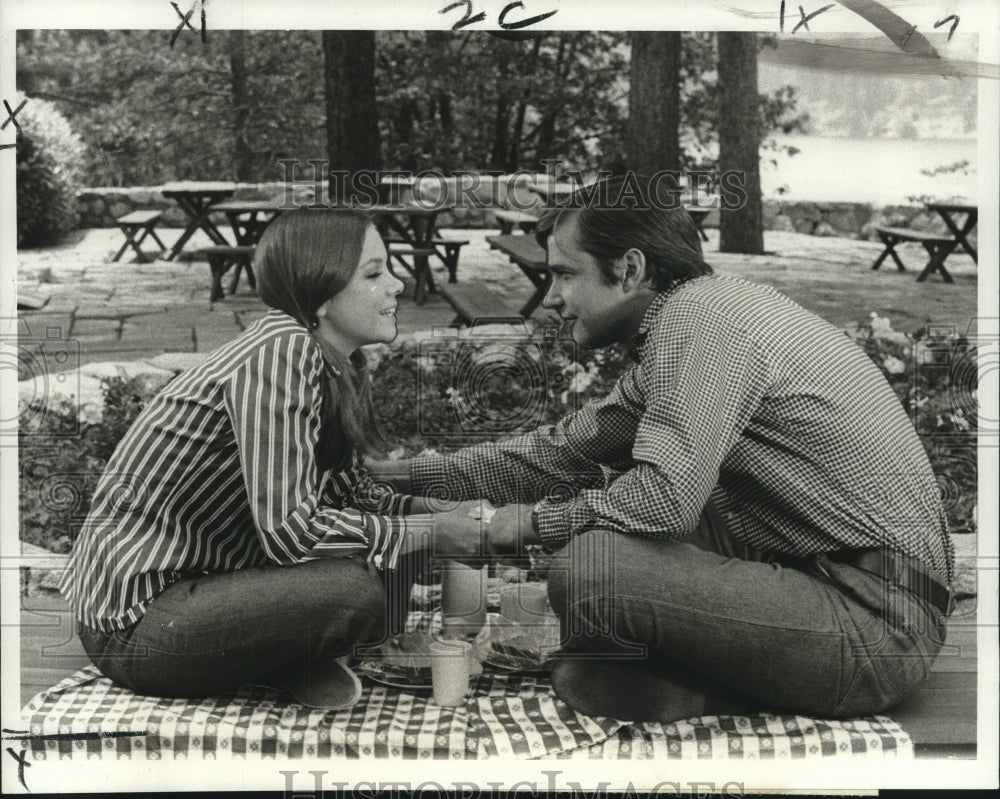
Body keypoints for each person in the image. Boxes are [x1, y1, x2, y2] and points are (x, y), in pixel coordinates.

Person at [368, 175, 954, 722]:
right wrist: (401, 477)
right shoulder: (700, 312)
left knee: (592, 568)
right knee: (605, 542)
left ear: (629, 269)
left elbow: (663, 500)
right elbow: (558, 452)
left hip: (878, 627)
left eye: (566, 275)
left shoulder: (699, 322)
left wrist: (514, 524)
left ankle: (717, 684)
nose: (551, 297)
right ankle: (699, 678)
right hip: (825, 577)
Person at [60, 209, 485, 706]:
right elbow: (291, 534)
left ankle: (273, 660)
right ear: (321, 293)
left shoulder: (335, 361)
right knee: (356, 595)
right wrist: (431, 532)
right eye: (374, 274)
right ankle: (275, 660)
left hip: (205, 587)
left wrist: (435, 515)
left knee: (393, 553)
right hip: (135, 625)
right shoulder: (282, 352)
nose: (396, 285)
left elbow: (349, 494)